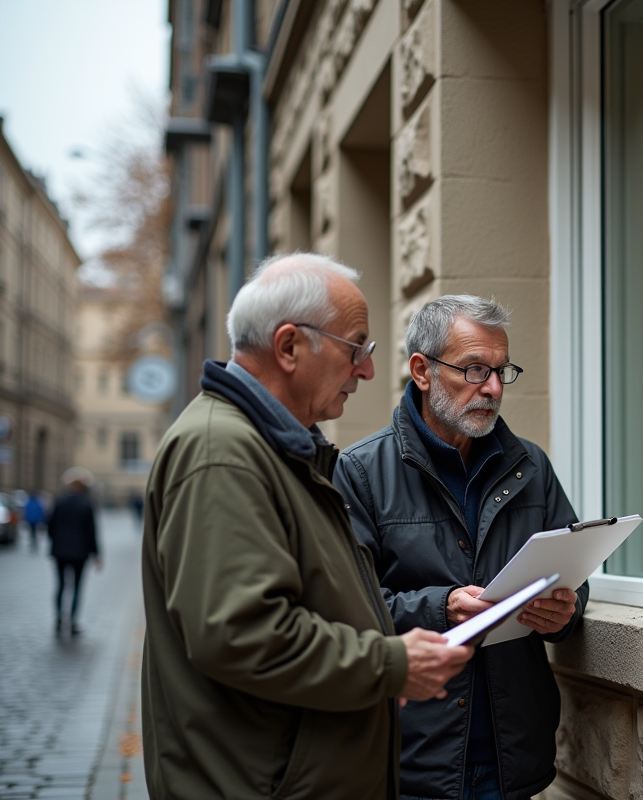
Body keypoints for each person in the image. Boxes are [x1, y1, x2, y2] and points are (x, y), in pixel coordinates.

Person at [140, 254, 473, 800]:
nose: (366, 371)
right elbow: (242, 635)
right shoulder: (220, 452)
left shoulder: (278, 449)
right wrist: (389, 666)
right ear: (290, 346)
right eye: (355, 348)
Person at [334, 295, 586, 800]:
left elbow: (573, 582)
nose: (492, 388)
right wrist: (441, 607)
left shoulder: (530, 466)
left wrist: (567, 612)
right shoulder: (361, 472)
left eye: (500, 371)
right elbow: (346, 614)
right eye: (474, 370)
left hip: (512, 760)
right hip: (411, 761)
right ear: (422, 371)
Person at [47, 467, 100, 636]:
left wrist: (56, 542)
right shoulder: (86, 504)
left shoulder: (59, 501)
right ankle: (73, 622)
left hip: (60, 551)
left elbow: (50, 527)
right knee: (77, 587)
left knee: (61, 585)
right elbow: (92, 532)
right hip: (80, 552)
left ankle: (58, 620)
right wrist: (96, 554)